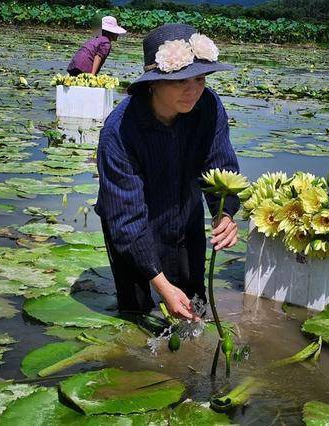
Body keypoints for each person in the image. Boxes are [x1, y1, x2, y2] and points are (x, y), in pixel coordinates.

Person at [95, 24, 240, 320]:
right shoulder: (119, 132)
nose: (193, 91)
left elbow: (220, 167)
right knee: (137, 311)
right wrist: (161, 285)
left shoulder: (209, 107)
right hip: (133, 224)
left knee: (193, 303)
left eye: (199, 79)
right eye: (180, 81)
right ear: (154, 83)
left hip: (185, 216)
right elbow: (125, 218)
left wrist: (224, 214)